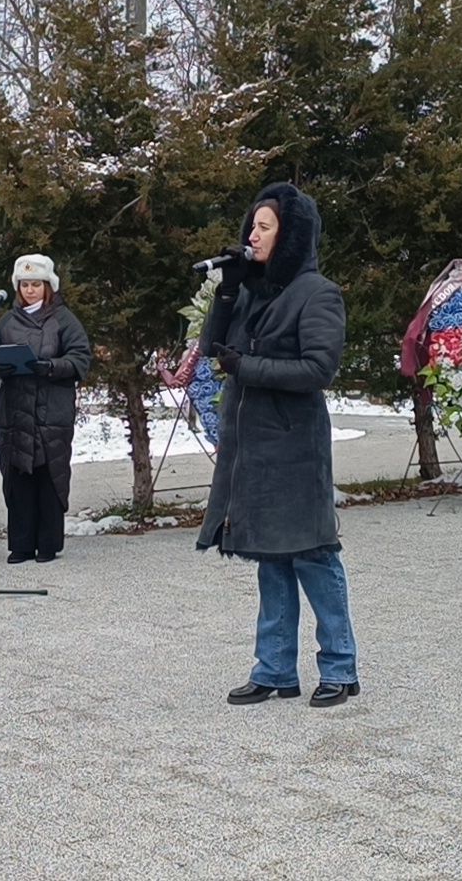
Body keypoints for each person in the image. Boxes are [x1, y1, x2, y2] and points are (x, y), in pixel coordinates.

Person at [198, 182, 360, 709]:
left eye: (265, 227)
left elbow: (319, 368)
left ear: (290, 235)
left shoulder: (318, 293)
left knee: (313, 556)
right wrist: (227, 290)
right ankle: (274, 670)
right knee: (270, 559)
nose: (253, 234)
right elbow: (211, 349)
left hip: (294, 446)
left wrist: (248, 367)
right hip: (255, 448)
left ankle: (340, 667)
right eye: (253, 224)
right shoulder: (253, 289)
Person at [0, 254, 90, 564]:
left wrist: (49, 366)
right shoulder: (7, 321)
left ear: (48, 287)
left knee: (49, 477)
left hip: (51, 412)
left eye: (36, 284)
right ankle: (20, 545)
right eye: (25, 284)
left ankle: (47, 544)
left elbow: (80, 358)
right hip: (15, 412)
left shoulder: (63, 319)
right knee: (18, 479)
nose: (30, 290)